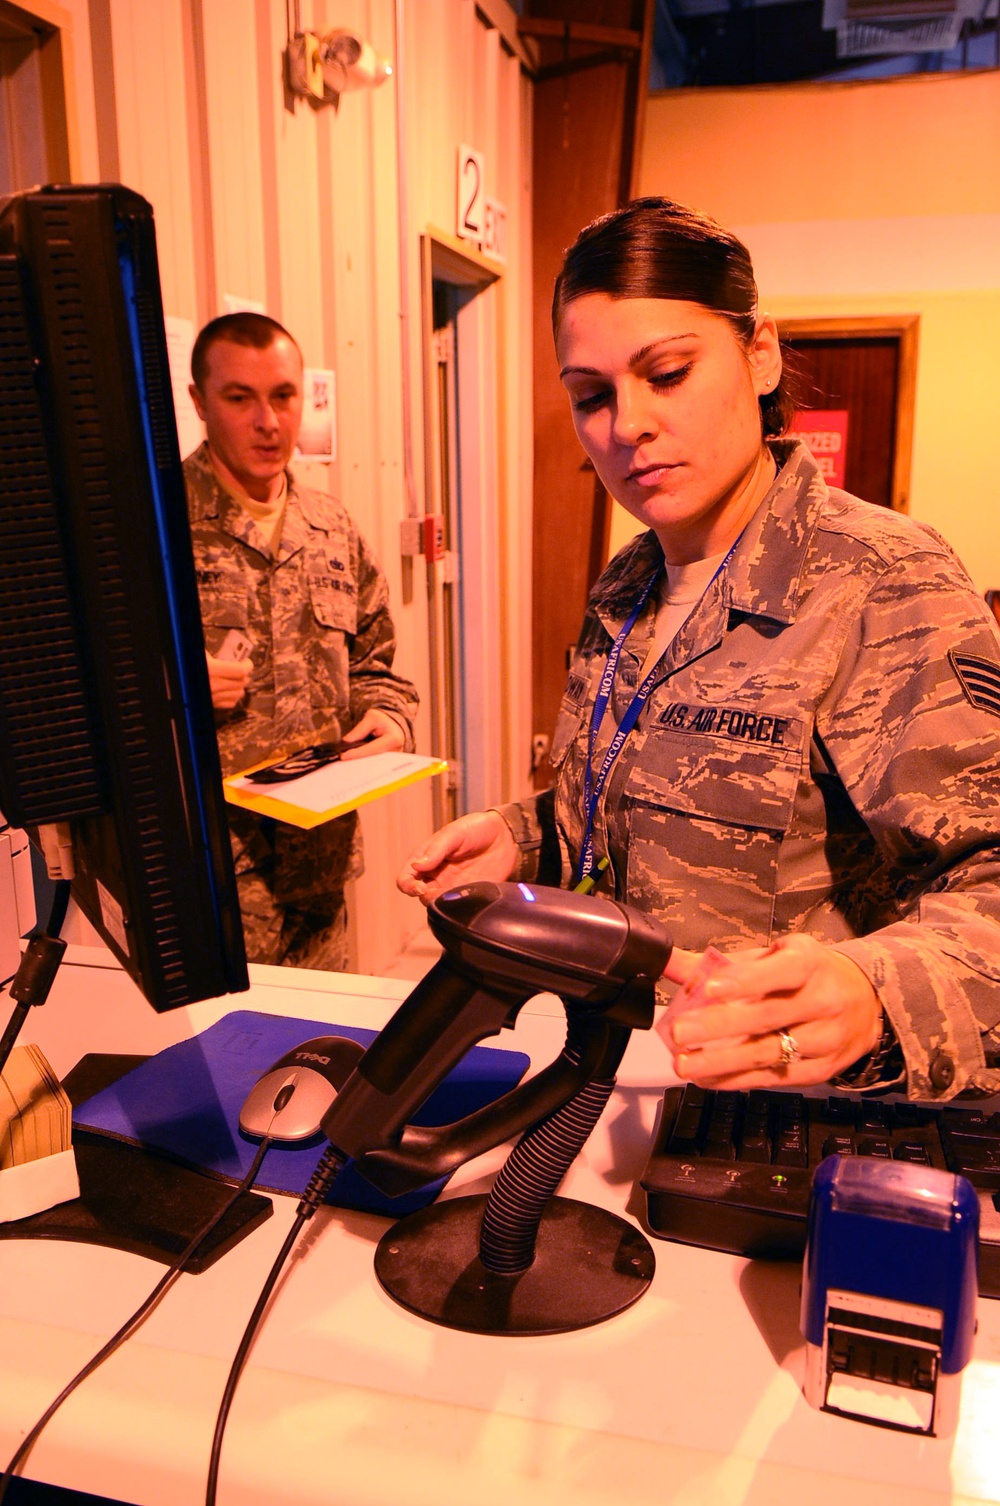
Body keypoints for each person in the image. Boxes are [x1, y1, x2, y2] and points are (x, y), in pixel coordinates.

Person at [398, 197, 1000, 1102]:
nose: (626, 425)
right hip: (615, 1078)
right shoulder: (628, 584)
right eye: (591, 396)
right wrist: (524, 838)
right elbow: (644, 809)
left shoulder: (881, 580)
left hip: (783, 1107)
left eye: (669, 373)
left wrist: (872, 990)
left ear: (760, 355)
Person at [186, 312, 418, 969]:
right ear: (200, 402)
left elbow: (375, 663)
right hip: (210, 874)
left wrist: (390, 716)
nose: (269, 422)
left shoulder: (330, 526)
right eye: (240, 398)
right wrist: (173, 687)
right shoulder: (153, 526)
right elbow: (80, 693)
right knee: (227, 1038)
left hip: (320, 869)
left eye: (284, 396)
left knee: (322, 1032)